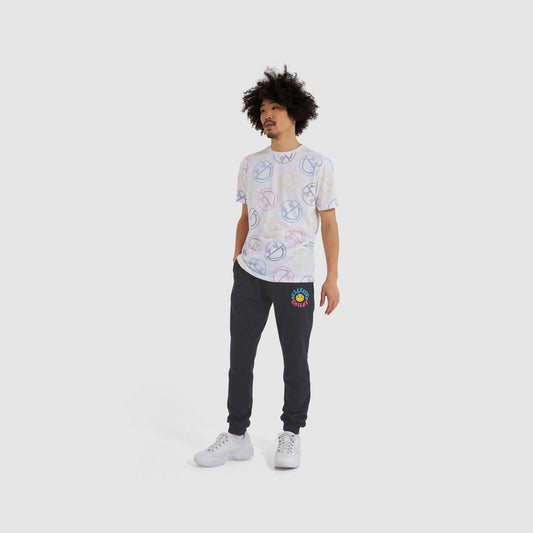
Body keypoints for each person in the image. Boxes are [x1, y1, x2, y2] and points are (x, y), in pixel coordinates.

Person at [194, 65, 340, 469]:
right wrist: (237, 259)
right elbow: (245, 217)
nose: (267, 115)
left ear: (294, 111)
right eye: (262, 109)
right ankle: (236, 435)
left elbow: (329, 223)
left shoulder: (319, 165)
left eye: (275, 107)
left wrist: (332, 277)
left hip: (296, 279)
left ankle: (291, 433)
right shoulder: (249, 164)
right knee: (239, 357)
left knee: (295, 359)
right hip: (250, 274)